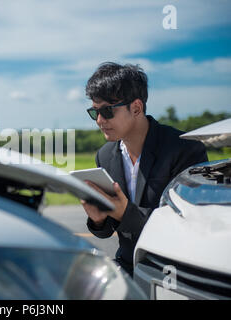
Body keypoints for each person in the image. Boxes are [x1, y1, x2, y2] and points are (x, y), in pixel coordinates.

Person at [82, 62, 208, 277]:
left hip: (175, 272)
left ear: (137, 108)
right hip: (128, 266)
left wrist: (125, 213)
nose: (100, 121)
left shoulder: (184, 149)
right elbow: (108, 231)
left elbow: (190, 225)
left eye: (107, 111)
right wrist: (98, 219)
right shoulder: (104, 155)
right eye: (95, 113)